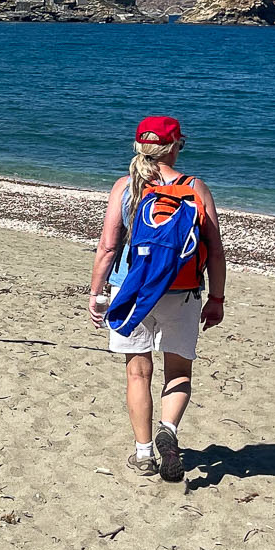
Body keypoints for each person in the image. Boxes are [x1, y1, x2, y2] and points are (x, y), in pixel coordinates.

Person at [89, 115, 226, 484]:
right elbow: (214, 251)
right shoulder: (196, 187)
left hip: (131, 291)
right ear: (175, 146)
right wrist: (217, 298)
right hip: (182, 291)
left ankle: (144, 452)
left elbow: (107, 247)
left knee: (138, 372)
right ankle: (168, 428)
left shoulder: (125, 187)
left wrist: (97, 293)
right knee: (178, 371)